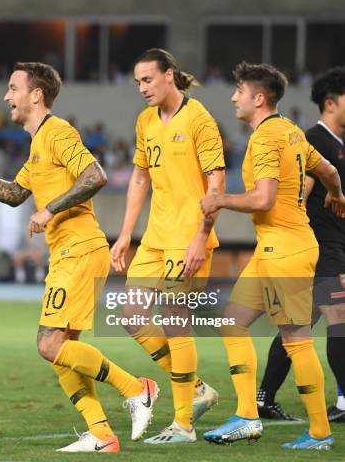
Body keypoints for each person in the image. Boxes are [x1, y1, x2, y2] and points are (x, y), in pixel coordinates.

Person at [0, 62, 158, 453]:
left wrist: (51, 209)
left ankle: (138, 389)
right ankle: (103, 435)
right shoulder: (38, 143)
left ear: (35, 95)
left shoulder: (57, 132)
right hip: (67, 252)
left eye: (12, 88)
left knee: (48, 345)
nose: (6, 96)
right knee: (62, 352)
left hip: (79, 249)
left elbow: (95, 176)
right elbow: (14, 194)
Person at [201, 62, 345, 450]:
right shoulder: (291, 131)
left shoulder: (266, 138)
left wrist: (220, 199)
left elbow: (263, 199)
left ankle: (319, 432)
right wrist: (336, 194)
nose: (234, 97)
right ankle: (247, 416)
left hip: (286, 250)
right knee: (232, 322)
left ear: (258, 98)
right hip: (273, 248)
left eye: (239, 90)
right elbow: (330, 169)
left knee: (296, 339)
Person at [110, 48, 225, 444]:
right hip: (155, 238)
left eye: (148, 79)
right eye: (138, 82)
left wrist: (201, 236)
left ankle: (184, 425)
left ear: (169, 75)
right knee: (130, 315)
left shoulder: (200, 119)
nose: (142, 88)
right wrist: (125, 233)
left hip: (189, 238)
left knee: (176, 318)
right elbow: (140, 179)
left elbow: (217, 185)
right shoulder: (145, 121)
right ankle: (195, 389)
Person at [256, 66, 345, 423]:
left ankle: (263, 398)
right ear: (330, 102)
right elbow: (298, 193)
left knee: (297, 325)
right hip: (322, 248)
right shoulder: (314, 139)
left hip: (333, 246)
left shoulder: (337, 145)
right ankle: (343, 404)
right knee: (339, 319)